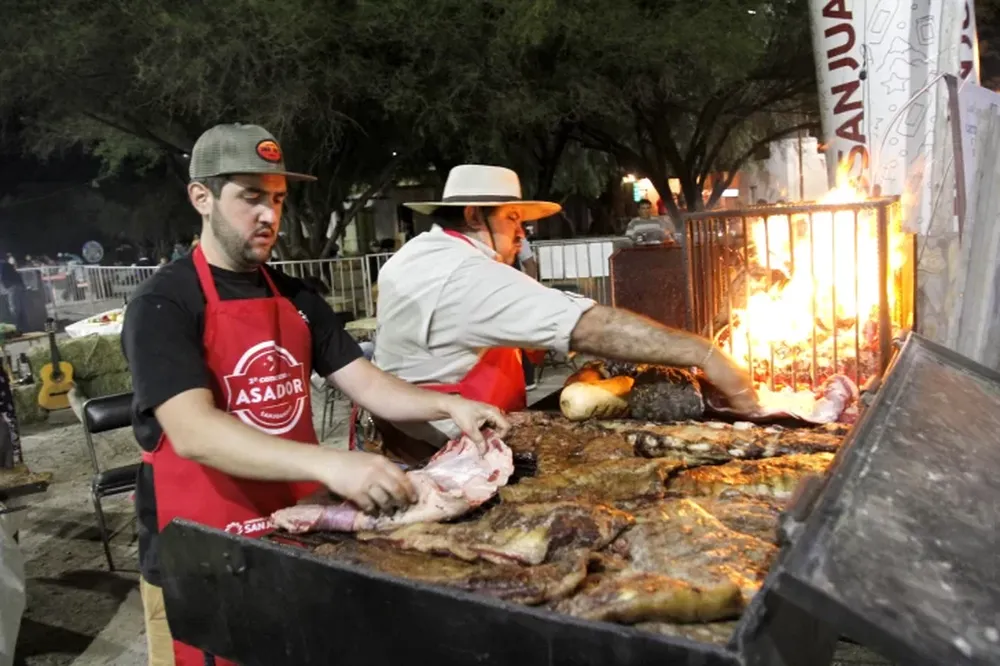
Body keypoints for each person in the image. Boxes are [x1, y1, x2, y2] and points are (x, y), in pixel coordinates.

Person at [121, 124, 508, 666]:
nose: (269, 215)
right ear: (201, 197)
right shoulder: (163, 303)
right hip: (201, 542)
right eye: (251, 197)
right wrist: (334, 464)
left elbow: (365, 382)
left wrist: (447, 405)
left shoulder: (297, 296)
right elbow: (192, 431)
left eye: (278, 199)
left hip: (292, 526)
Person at [370, 165, 759, 460]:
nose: (522, 234)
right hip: (444, 447)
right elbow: (588, 328)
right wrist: (705, 354)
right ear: (474, 217)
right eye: (512, 219)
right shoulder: (466, 273)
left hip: (405, 434)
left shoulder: (418, 254)